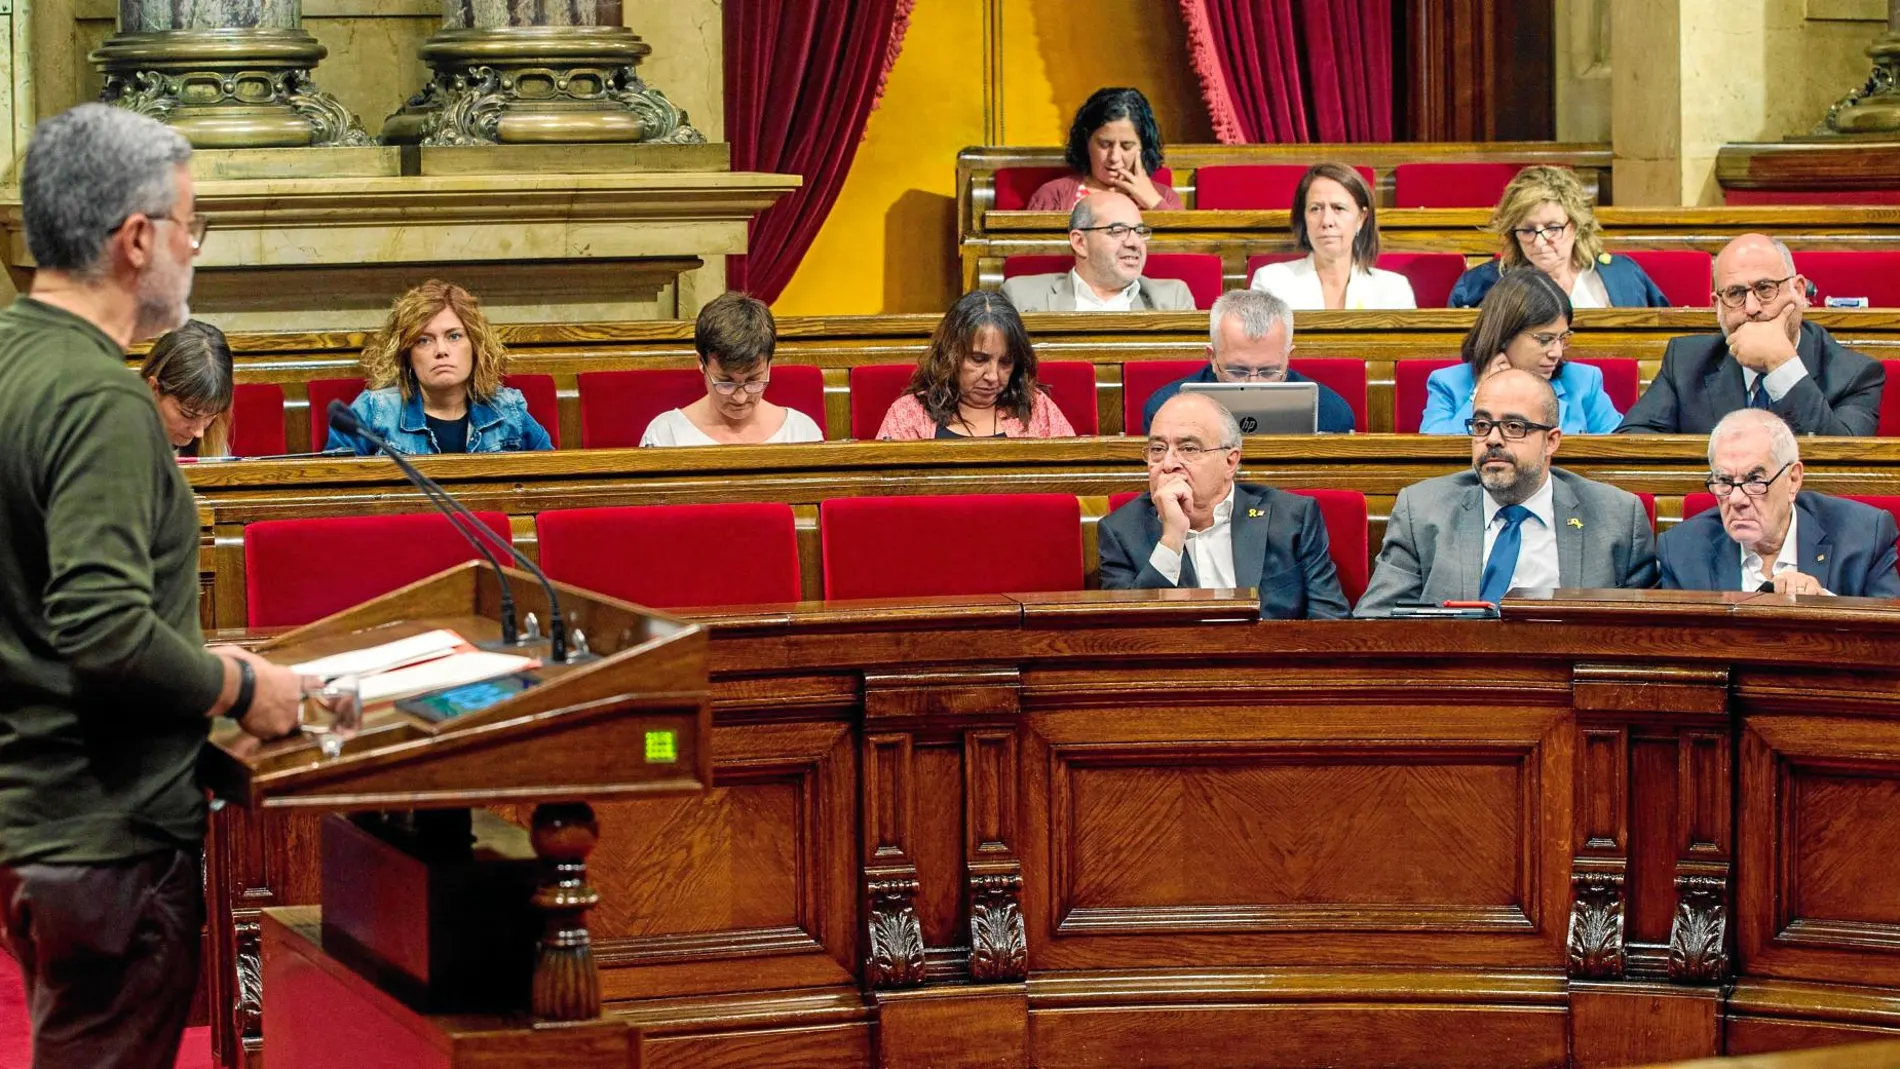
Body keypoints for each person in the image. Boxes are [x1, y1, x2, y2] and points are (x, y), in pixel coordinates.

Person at [0, 103, 302, 1069]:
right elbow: (103, 625)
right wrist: (243, 684)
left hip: (40, 817)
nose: (194, 248)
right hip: (108, 835)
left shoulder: (13, 355)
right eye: (191, 224)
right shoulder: (100, 400)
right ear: (137, 239)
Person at [1354, 369, 1657, 616]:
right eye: (1482, 424)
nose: (1492, 439)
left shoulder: (1616, 517)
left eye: (1514, 426)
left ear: (1551, 441)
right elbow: (1374, 620)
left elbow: (1638, 635)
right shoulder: (1422, 510)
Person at [1100, 392, 1349, 618]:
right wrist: (1171, 540)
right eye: (1157, 449)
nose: (1168, 464)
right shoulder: (1121, 531)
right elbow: (1127, 631)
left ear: (1230, 462)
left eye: (1188, 448)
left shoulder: (1292, 518)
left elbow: (1329, 622)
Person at [1617, 234, 1884, 435]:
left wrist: (1782, 365)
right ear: (1717, 306)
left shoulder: (1855, 375)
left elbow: (1842, 468)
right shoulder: (1686, 363)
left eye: (1765, 289)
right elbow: (1634, 445)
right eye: (1735, 294)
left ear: (1799, 291)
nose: (1753, 308)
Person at [1659, 409, 1900, 597]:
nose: (1736, 499)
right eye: (1724, 480)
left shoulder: (1863, 538)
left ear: (1792, 480)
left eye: (1754, 480)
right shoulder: (1683, 551)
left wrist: (1825, 604)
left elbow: (1889, 643)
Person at [327, 279, 554, 455]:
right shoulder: (372, 412)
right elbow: (333, 494)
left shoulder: (508, 411)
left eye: (454, 336)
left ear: (474, 346)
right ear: (407, 355)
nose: (441, 350)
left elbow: (552, 481)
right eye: (424, 340)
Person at [1420, 268, 1622, 435]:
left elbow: (1616, 452)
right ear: (1505, 336)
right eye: (1545, 340)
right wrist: (1481, 393)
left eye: (1562, 338)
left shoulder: (1584, 381)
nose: (1557, 352)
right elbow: (1434, 455)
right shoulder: (1448, 384)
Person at [1138, 289, 1356, 435]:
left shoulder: (1332, 414)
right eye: (1238, 371)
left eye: (1268, 372)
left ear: (1288, 357)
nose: (1253, 383)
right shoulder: (1165, 409)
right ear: (1212, 357)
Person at [1448, 166, 1669, 309]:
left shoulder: (1623, 275)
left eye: (1553, 228)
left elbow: (1663, 344)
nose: (1540, 241)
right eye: (1527, 230)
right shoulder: (1478, 287)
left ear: (1576, 225)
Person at [875, 290, 1075, 439]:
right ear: (950, 354)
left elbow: (1075, 480)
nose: (993, 377)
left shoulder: (1037, 409)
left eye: (1005, 362)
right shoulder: (909, 413)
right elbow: (887, 490)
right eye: (979, 360)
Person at [641, 292, 823, 446]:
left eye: (753, 381)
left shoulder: (801, 433)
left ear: (769, 364)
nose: (740, 398)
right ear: (701, 363)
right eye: (726, 382)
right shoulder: (666, 436)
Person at [1247, 163, 1416, 310]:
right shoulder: (1271, 283)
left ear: (1361, 218)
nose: (1327, 221)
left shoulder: (1394, 290)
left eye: (1339, 208)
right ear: (1304, 218)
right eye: (1315, 208)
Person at [1001, 192, 1194, 313]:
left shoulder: (1173, 299)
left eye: (1140, 231)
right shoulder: (1021, 298)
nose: (1135, 243)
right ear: (1079, 242)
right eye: (1118, 231)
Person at [1025, 87, 1183, 212]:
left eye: (1126, 146)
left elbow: (1185, 248)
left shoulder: (1165, 197)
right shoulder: (1054, 195)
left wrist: (1154, 203)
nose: (1114, 157)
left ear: (1143, 147)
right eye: (1104, 144)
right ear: (1086, 141)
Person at [142, 318, 235, 456]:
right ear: (153, 388)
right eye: (188, 414)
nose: (199, 432)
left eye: (210, 416)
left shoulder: (211, 436)